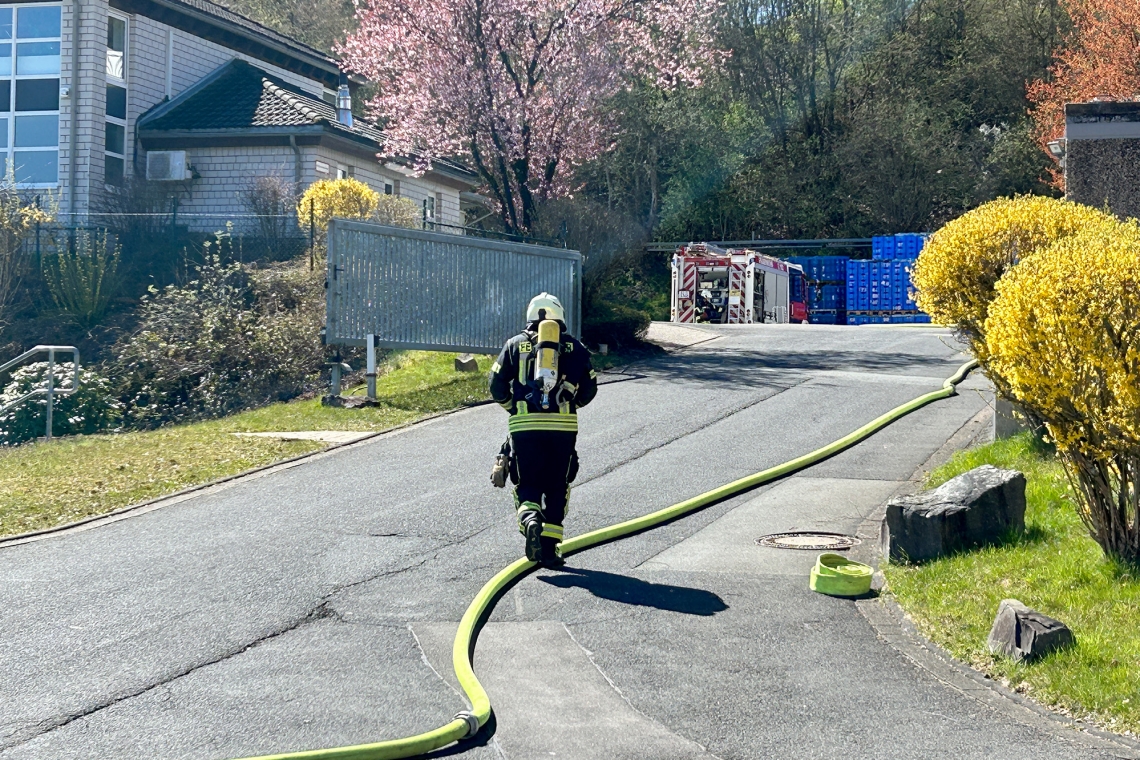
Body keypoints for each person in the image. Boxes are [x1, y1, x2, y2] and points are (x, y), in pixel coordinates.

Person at [489, 293, 597, 567]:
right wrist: (571, 406)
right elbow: (590, 388)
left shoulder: (514, 345)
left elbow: (495, 384)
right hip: (563, 428)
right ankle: (549, 550)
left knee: (528, 482)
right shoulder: (575, 347)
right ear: (560, 315)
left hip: (525, 427)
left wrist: (514, 407)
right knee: (558, 486)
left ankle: (530, 519)